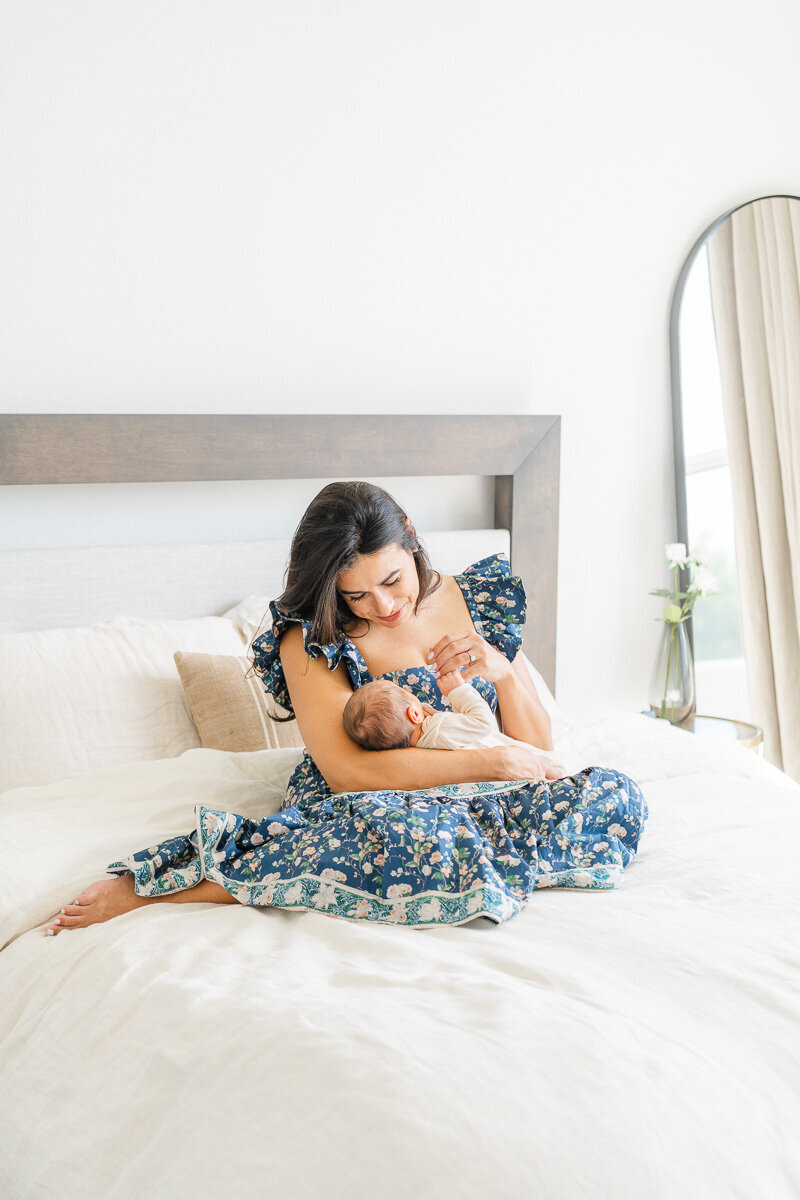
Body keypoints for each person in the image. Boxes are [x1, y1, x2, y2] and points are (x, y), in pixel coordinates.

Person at [46, 481, 647, 934]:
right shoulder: (312, 638)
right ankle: (188, 887)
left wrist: (501, 672)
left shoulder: (474, 597)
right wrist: (489, 765)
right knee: (412, 837)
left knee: (614, 794)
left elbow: (538, 746)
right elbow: (349, 773)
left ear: (410, 537)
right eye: (355, 594)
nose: (384, 607)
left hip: (490, 785)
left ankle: (478, 855)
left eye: (393, 579)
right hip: (380, 796)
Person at [343, 669, 567, 771]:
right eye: (405, 692)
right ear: (414, 715)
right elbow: (482, 723)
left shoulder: (423, 748)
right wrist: (458, 690)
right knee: (559, 767)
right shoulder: (439, 729)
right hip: (525, 763)